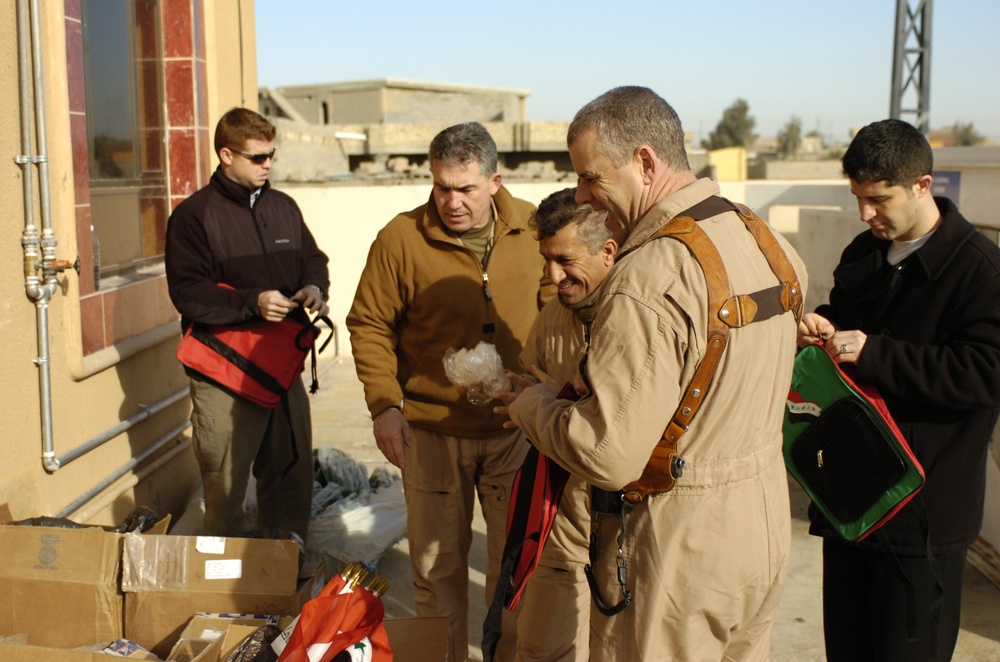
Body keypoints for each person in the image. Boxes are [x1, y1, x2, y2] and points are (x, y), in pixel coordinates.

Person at [501, 86, 807, 661]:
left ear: (645, 161)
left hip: (682, 547)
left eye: (592, 177)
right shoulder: (759, 235)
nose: (584, 196)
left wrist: (534, 405)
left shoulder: (649, 277)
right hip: (763, 529)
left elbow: (609, 453)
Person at [346, 121, 552, 661]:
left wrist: (550, 389)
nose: (452, 202)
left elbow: (562, 308)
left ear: (495, 181)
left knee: (516, 569)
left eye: (465, 189)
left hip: (516, 429)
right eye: (441, 187)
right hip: (431, 434)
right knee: (436, 575)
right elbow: (368, 323)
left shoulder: (535, 227)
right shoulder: (401, 237)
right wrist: (385, 406)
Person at [796, 118, 1000, 662]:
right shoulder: (863, 253)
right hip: (850, 503)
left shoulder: (978, 270)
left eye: (879, 200)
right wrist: (821, 327)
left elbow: (985, 372)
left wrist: (876, 353)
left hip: (922, 519)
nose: (866, 214)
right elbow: (845, 325)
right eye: (858, 198)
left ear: (922, 186)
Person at [165, 107, 330, 539]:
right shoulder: (193, 216)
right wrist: (253, 302)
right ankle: (227, 584)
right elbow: (188, 293)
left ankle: (282, 570)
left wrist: (314, 286)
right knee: (226, 484)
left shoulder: (284, 207)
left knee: (291, 472)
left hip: (280, 364)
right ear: (226, 155)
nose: (268, 165)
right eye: (257, 157)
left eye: (271, 155)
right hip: (223, 373)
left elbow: (313, 259)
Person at [514, 188, 617, 662]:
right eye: (546, 260)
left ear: (608, 250)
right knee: (540, 645)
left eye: (564, 260)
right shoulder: (553, 316)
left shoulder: (639, 315)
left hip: (628, 526)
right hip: (561, 519)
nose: (552, 276)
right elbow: (531, 382)